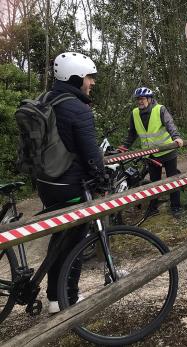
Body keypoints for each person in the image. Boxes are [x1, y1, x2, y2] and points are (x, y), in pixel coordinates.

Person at [36, 52, 104, 313]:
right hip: (71, 185)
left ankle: (55, 297)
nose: (92, 82)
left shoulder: (45, 100)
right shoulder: (77, 108)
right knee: (75, 241)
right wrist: (102, 182)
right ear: (75, 77)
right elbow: (90, 155)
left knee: (59, 238)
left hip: (46, 183)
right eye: (89, 77)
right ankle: (68, 299)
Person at [119, 87, 184, 216]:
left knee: (172, 180)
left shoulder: (160, 109)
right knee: (154, 182)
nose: (140, 101)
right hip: (150, 154)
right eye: (138, 99)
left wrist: (176, 137)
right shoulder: (135, 113)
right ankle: (153, 208)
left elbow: (169, 123)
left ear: (149, 99)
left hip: (167, 151)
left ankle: (175, 207)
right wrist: (125, 147)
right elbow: (132, 133)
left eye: (142, 98)